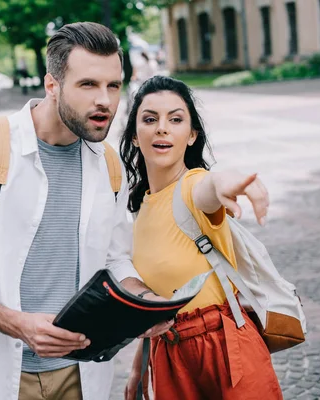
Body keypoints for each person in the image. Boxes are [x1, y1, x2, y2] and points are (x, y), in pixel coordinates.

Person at [0, 22, 172, 400]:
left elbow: (116, 258)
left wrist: (143, 301)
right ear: (52, 86)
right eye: (88, 85)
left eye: (113, 86)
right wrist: (19, 325)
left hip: (81, 376)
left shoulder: (110, 165)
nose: (104, 100)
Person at [120, 75, 283, 400]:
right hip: (168, 354)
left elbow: (210, 188)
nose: (162, 128)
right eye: (150, 119)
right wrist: (139, 365)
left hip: (223, 346)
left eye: (176, 119)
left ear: (192, 135)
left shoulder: (195, 186)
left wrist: (230, 181)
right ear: (136, 136)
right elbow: (156, 297)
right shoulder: (141, 210)